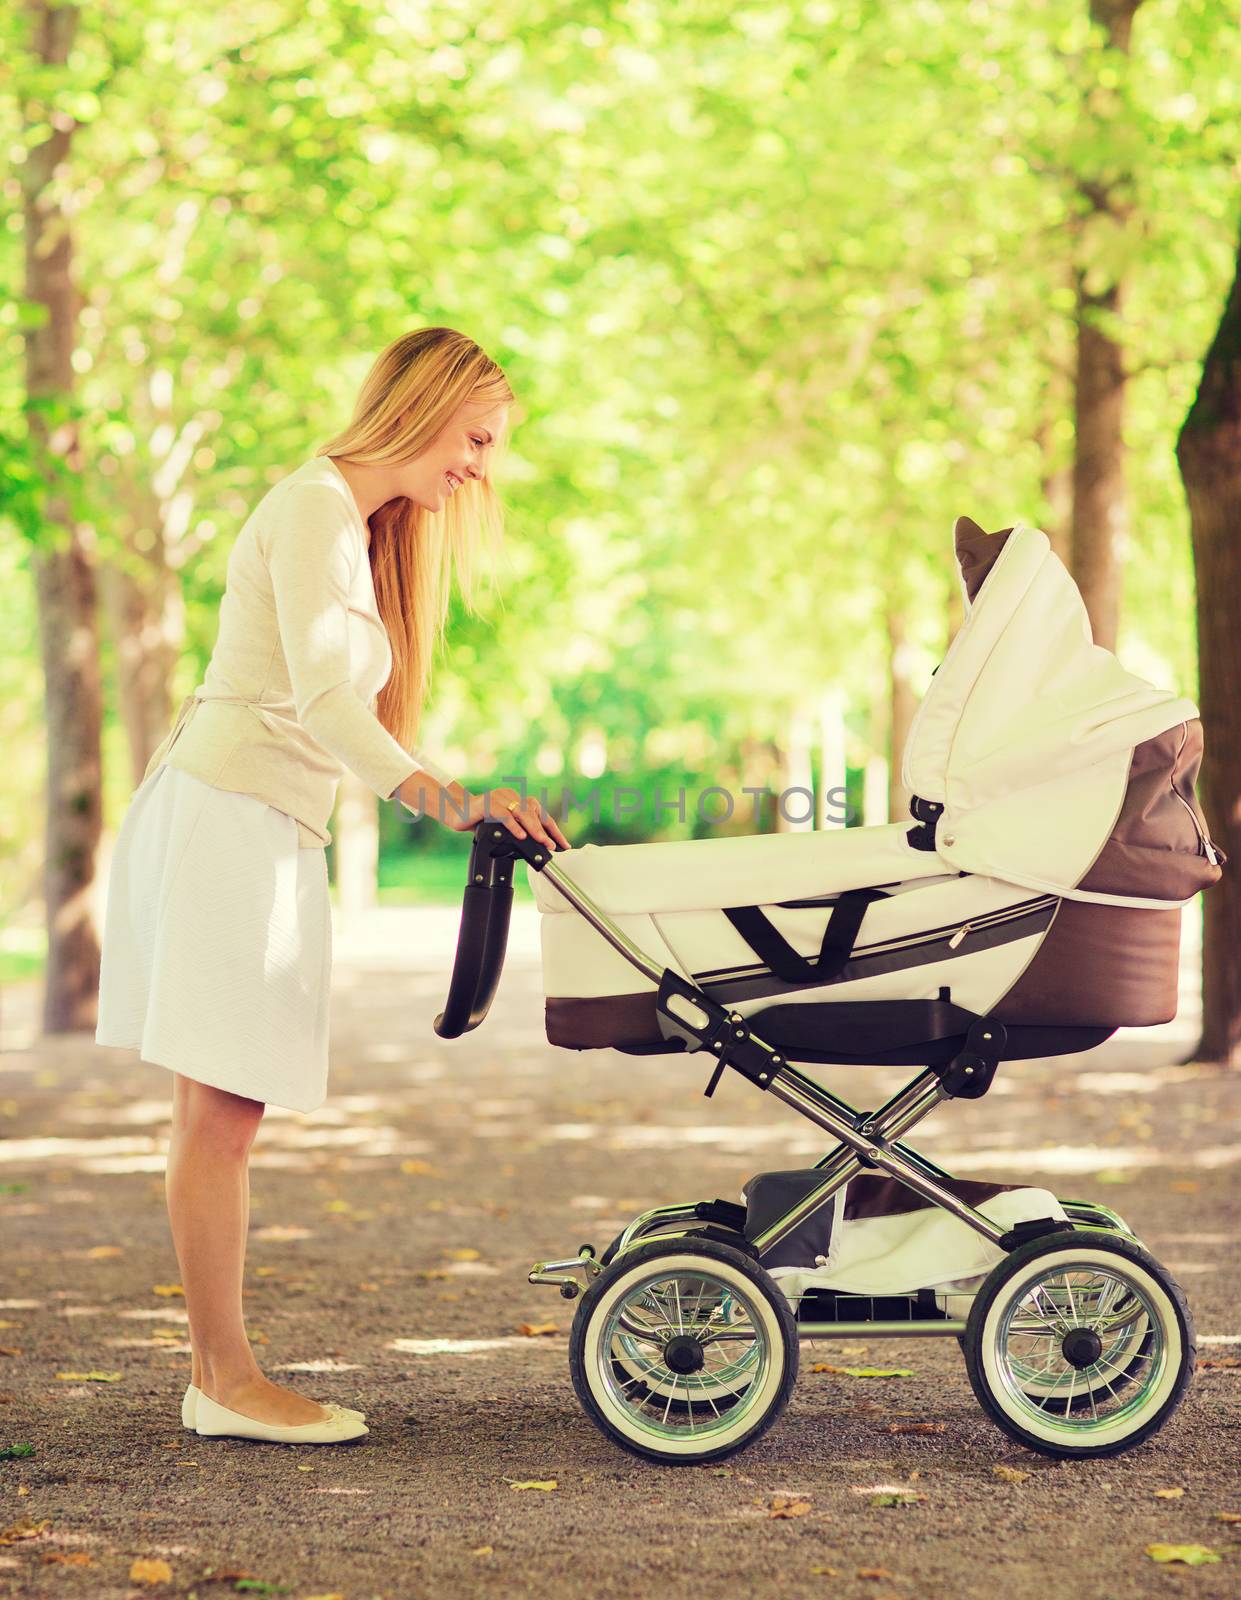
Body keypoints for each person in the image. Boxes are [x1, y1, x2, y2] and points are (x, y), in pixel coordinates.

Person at [94, 328, 573, 1444]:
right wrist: (452, 801)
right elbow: (319, 702)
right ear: (425, 405)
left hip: (258, 820)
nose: (479, 468)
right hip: (226, 815)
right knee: (222, 1108)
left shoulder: (355, 531)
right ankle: (223, 1380)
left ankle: (221, 1372)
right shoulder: (313, 504)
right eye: (476, 438)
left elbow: (339, 709)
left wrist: (449, 792)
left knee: (222, 1109)